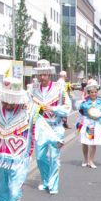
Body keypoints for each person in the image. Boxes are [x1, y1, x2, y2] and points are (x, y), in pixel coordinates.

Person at [30, 59, 71, 194]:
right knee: (40, 157)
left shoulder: (59, 89)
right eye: (40, 74)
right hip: (40, 128)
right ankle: (46, 180)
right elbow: (28, 107)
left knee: (54, 157)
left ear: (49, 74)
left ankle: (53, 184)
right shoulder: (33, 89)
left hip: (55, 126)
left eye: (45, 74)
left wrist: (53, 109)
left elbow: (67, 107)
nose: (42, 77)